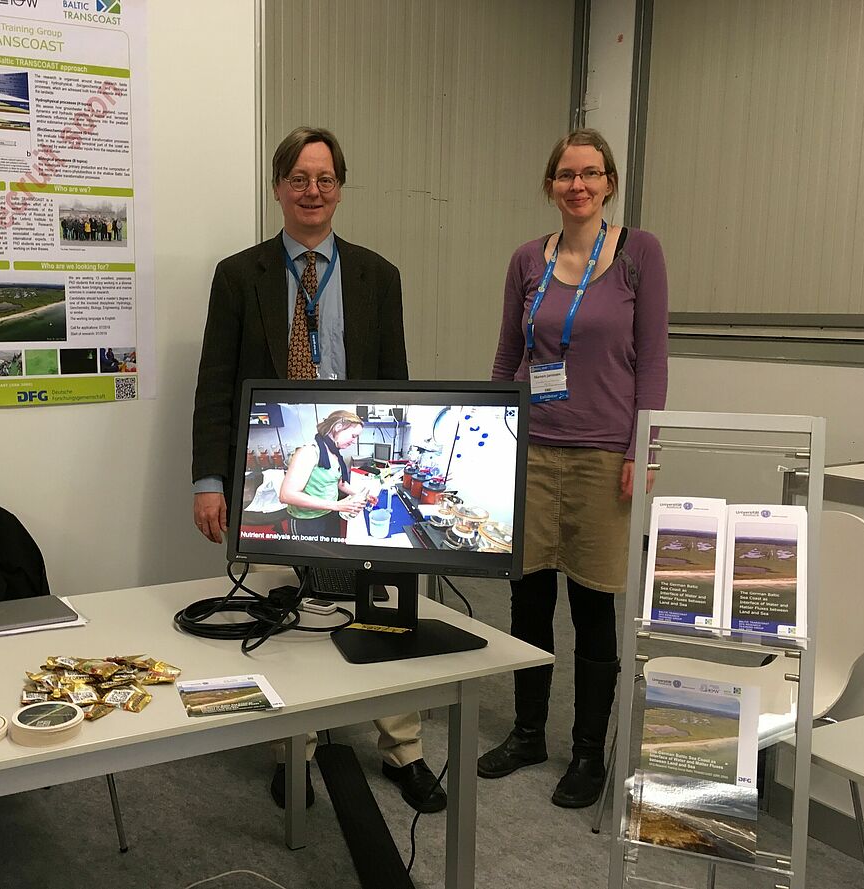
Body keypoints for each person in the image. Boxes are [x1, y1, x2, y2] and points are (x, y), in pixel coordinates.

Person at [191, 126, 444, 814]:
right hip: (276, 473)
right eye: (299, 179)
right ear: (278, 187)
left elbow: (398, 384)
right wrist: (210, 480)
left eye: (324, 178)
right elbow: (215, 384)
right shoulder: (239, 275)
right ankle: (292, 751)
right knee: (281, 609)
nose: (312, 191)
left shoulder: (376, 275)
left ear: (340, 187)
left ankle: (404, 749)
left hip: (357, 465)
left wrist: (389, 471)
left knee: (386, 608)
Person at [482, 128, 668, 808]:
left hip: (600, 455)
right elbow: (508, 355)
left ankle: (586, 751)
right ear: (550, 185)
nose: (578, 184)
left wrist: (640, 451)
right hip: (532, 446)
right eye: (565, 174)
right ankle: (529, 730)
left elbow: (652, 361)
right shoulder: (527, 259)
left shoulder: (639, 254)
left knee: (592, 603)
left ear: (609, 183)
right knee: (528, 596)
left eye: (591, 173)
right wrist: (492, 437)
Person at [279, 410, 375, 540]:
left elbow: (339, 483)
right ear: (338, 427)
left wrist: (362, 495)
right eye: (353, 435)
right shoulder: (309, 452)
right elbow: (286, 495)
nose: (354, 441)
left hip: (329, 513)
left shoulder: (334, 453)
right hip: (306, 521)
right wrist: (337, 505)